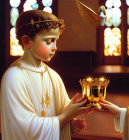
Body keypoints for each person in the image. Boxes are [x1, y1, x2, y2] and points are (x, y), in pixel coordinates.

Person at [0, 10, 90, 140]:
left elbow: (62, 111)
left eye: (56, 41)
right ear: (27, 42)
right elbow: (24, 128)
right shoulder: (14, 78)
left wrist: (72, 121)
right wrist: (66, 116)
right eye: (49, 41)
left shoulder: (53, 76)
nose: (55, 47)